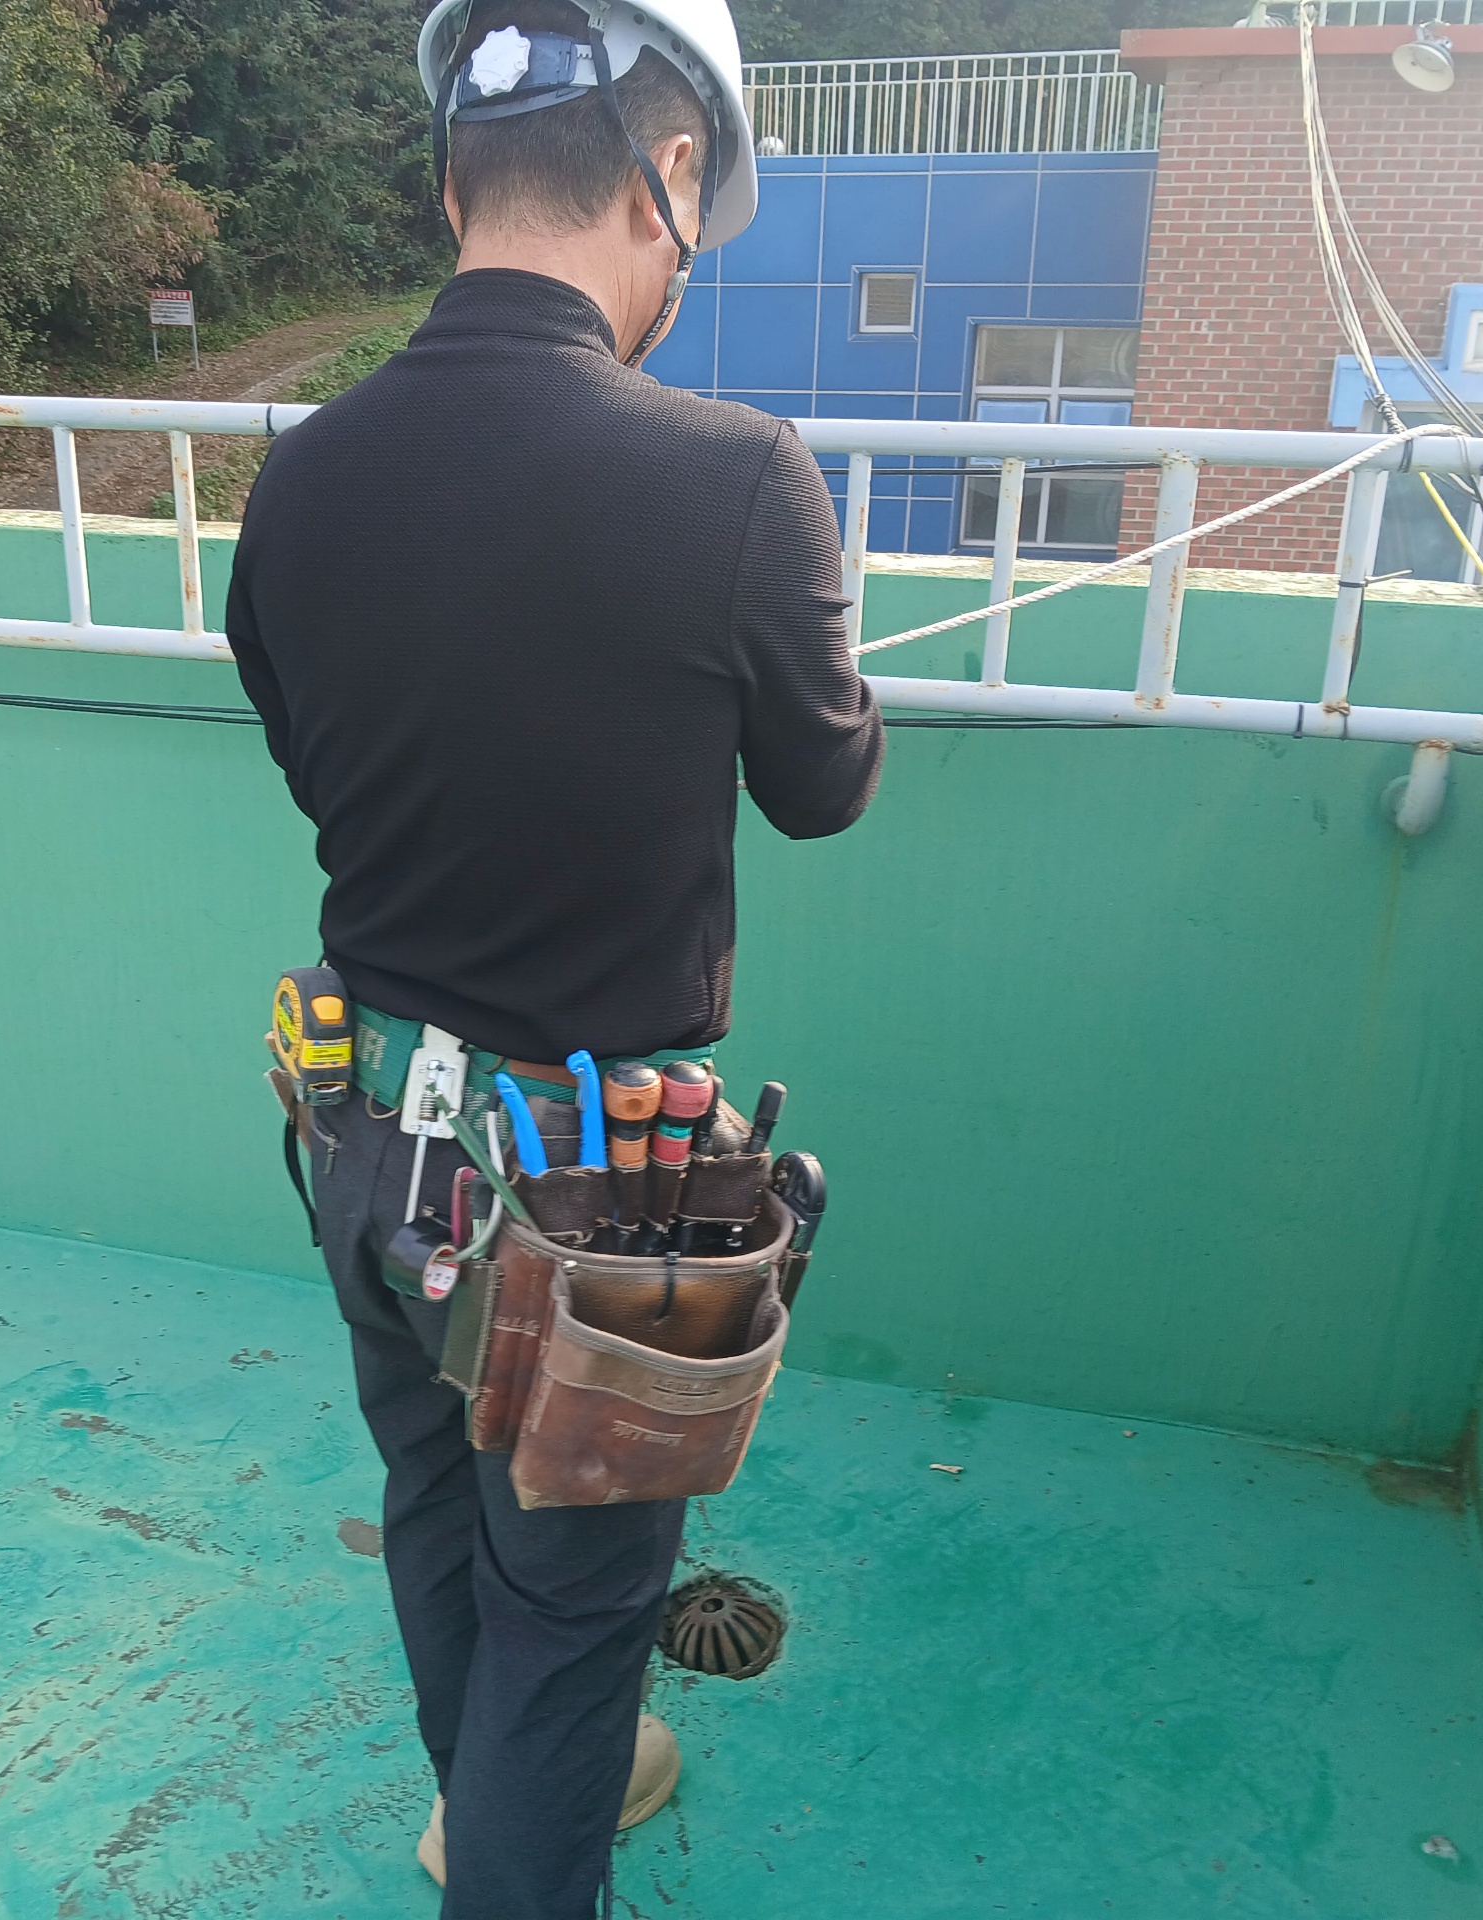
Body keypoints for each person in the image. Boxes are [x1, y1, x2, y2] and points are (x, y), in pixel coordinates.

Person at [224, 0, 884, 1909]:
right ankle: (520, 1834)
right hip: (601, 1198)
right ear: (669, 177)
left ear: (454, 187)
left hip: (365, 1134)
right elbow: (824, 787)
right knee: (579, 1612)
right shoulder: (736, 478)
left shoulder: (300, 477)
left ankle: (495, 1795)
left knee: (438, 1503)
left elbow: (311, 753)